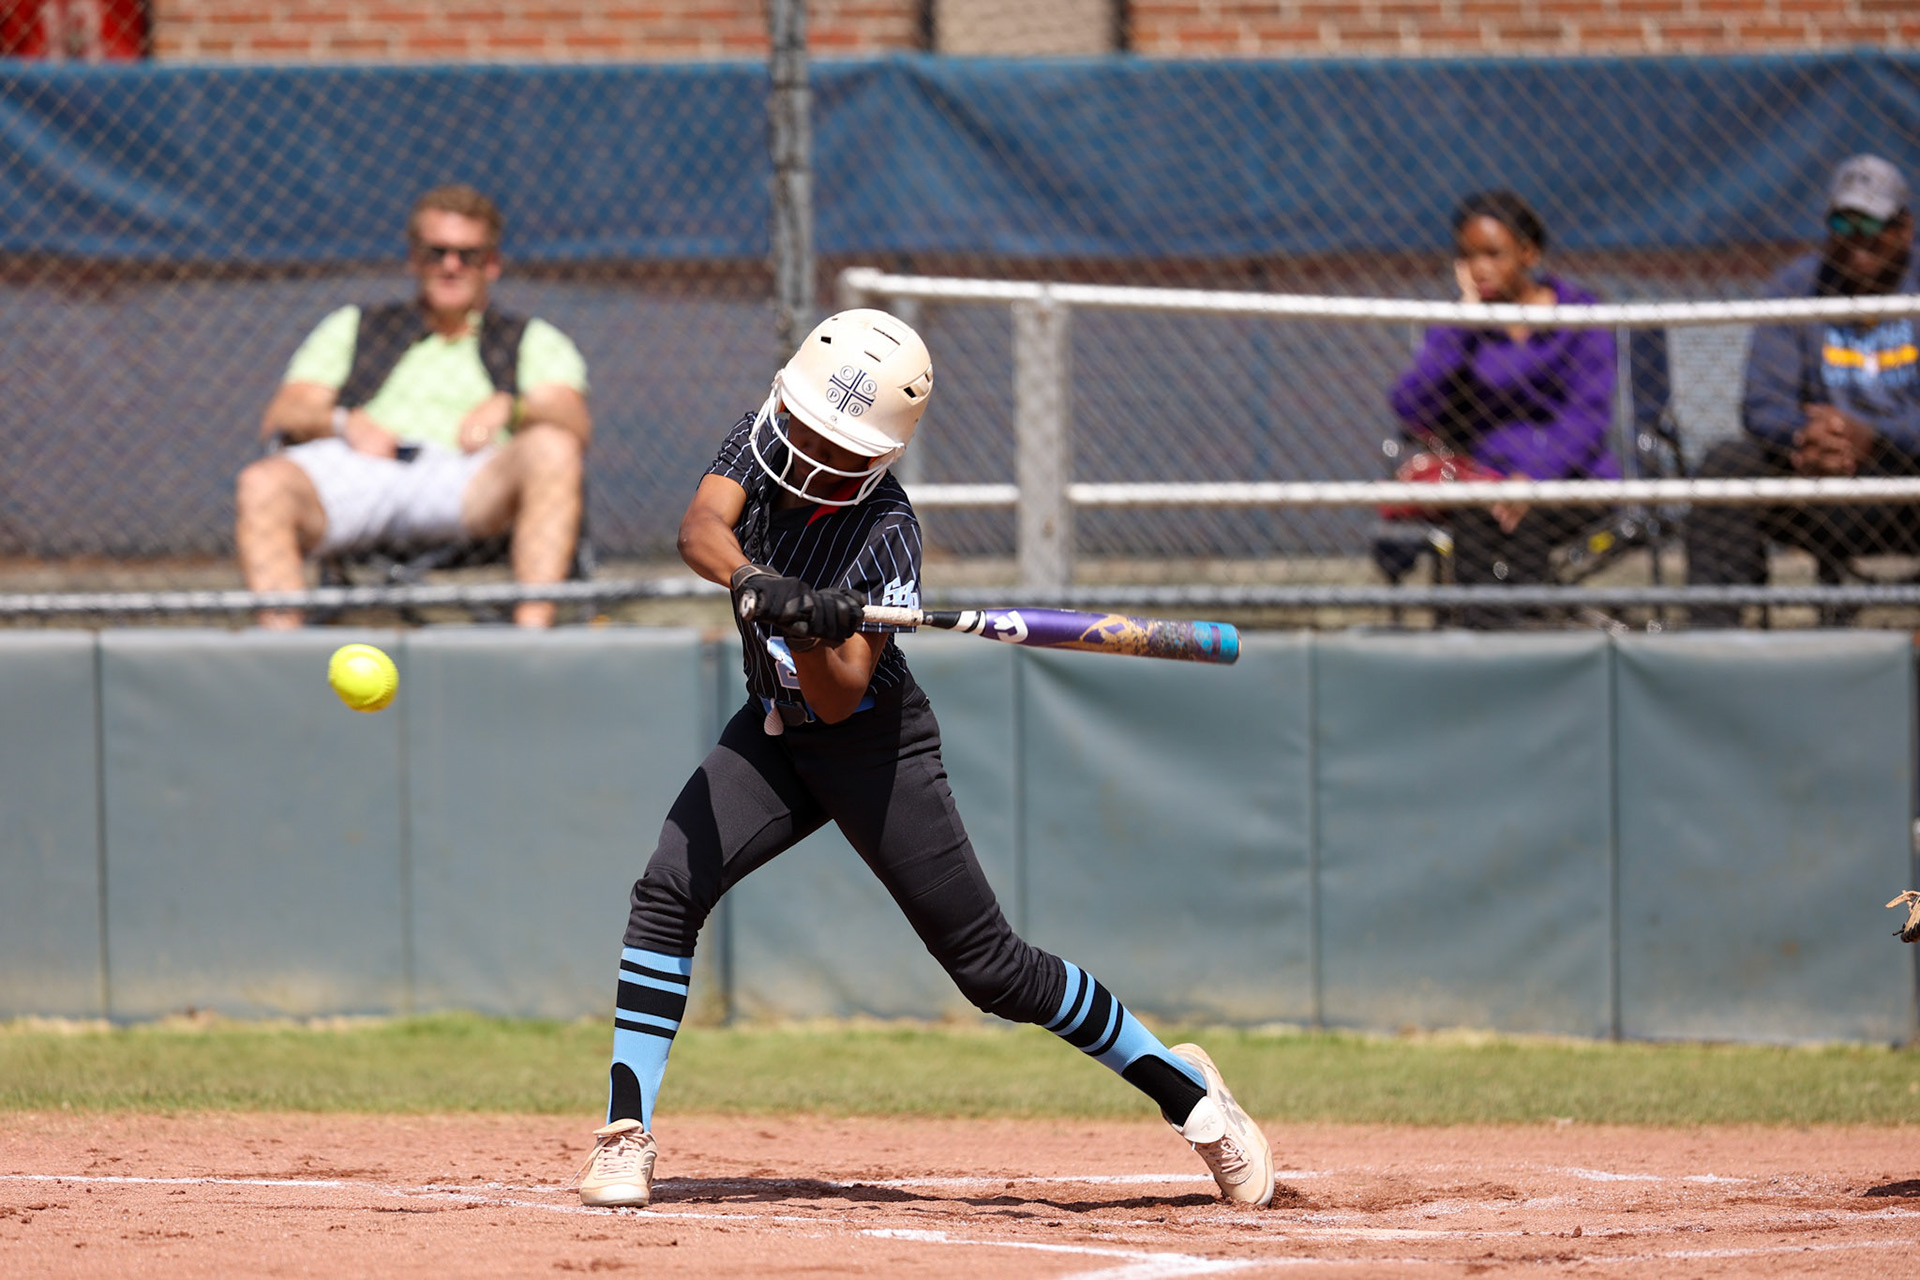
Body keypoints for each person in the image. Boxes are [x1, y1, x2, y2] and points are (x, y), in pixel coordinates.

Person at [573, 308, 1275, 1211]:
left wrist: (816, 623)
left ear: (875, 457)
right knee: (669, 888)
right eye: (803, 431)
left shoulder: (885, 533)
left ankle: (1193, 1099)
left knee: (992, 969)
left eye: (832, 446)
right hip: (774, 731)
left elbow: (838, 693)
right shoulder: (758, 436)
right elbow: (701, 528)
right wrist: (757, 580)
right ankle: (626, 1132)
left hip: (873, 741)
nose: (805, 454)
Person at [234, 184, 590, 629]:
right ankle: (284, 662)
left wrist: (513, 409)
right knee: (262, 482)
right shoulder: (354, 326)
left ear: (492, 264)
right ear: (413, 260)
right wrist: (344, 422)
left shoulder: (534, 339)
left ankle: (529, 646)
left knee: (553, 448)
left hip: (470, 479)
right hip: (361, 471)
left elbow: (572, 421)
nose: (451, 266)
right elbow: (284, 414)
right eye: (436, 252)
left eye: (468, 254)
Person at [1685, 155, 1920, 627]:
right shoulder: (1794, 287)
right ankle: (1713, 644)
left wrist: (1871, 436)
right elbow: (1762, 402)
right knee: (1726, 465)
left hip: (1906, 481)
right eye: (1843, 221)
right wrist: (1804, 436)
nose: (1857, 238)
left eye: (1872, 223)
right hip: (1819, 480)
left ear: (1904, 229)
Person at [1387, 189, 1619, 627]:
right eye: (1467, 256)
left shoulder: (1580, 316)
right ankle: (1484, 644)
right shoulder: (1463, 325)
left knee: (1520, 522)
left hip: (1569, 481)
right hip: (1486, 484)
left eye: (1493, 254)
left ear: (1529, 254)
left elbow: (1587, 416)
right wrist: (1463, 325)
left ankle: (1529, 639)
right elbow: (1410, 406)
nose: (1479, 269)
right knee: (1479, 518)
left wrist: (1532, 478)